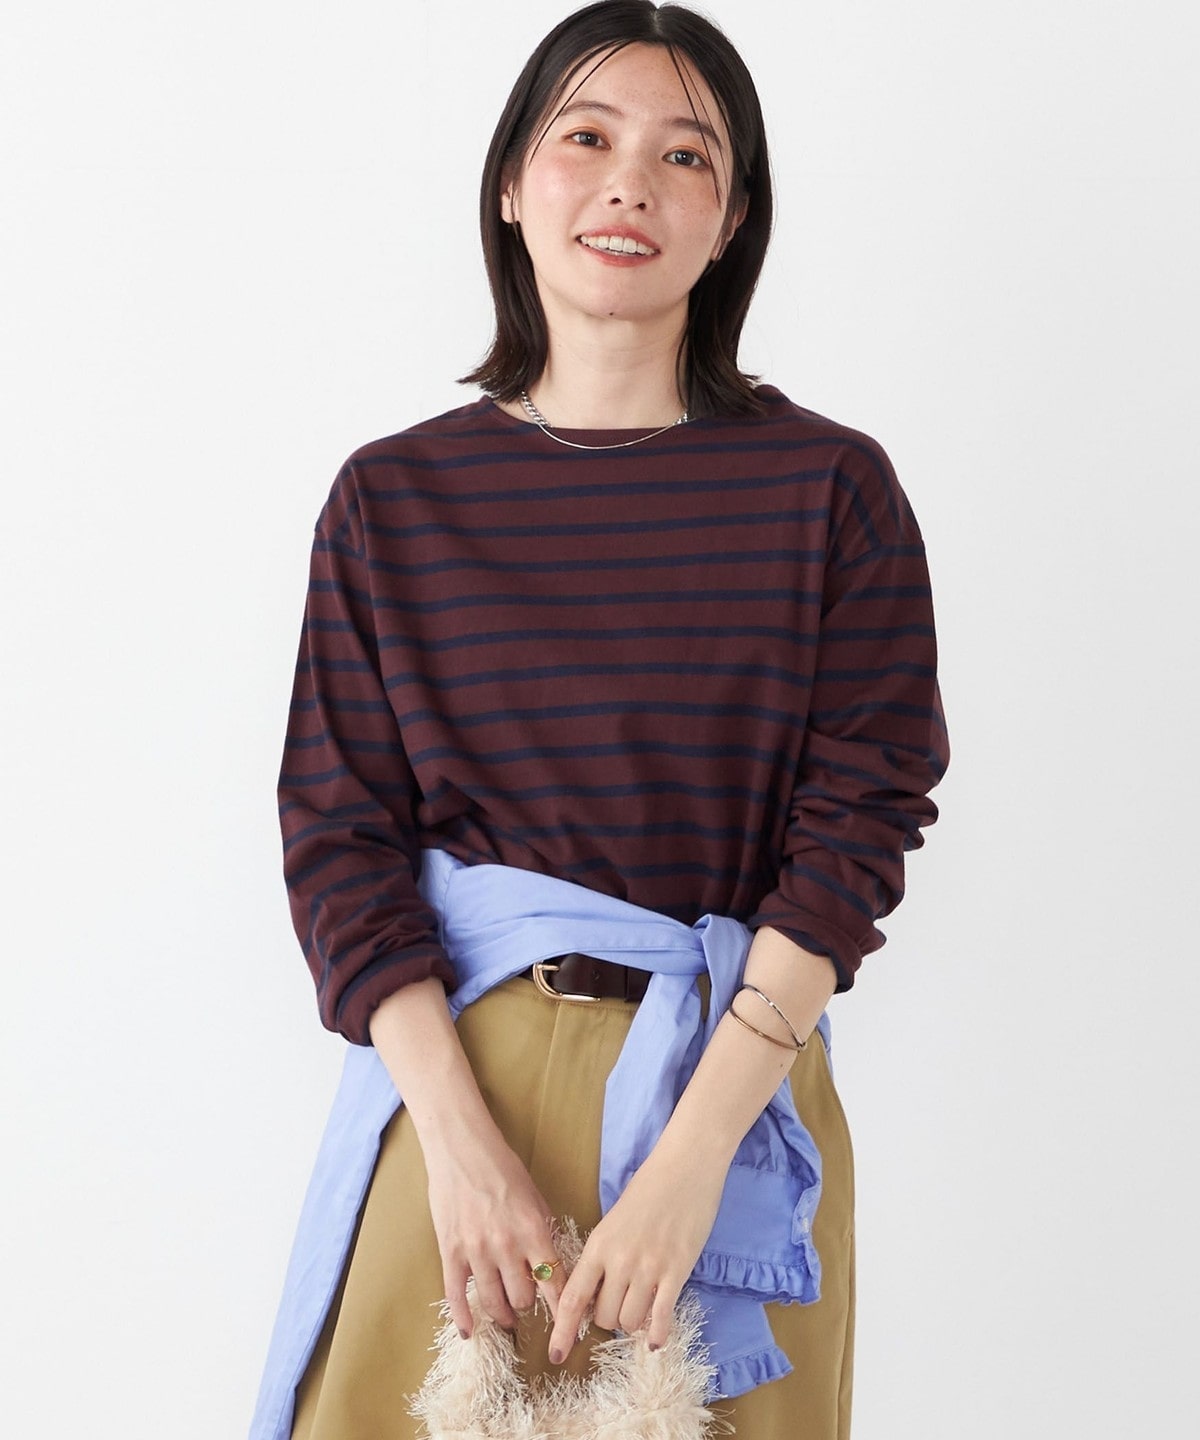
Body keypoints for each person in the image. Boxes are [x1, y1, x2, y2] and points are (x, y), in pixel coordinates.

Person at [251, 3, 948, 1438]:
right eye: (586, 137)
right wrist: (459, 1151)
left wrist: (688, 1165)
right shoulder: (393, 498)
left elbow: (857, 833)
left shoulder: (832, 490)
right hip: (461, 1098)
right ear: (514, 182)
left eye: (686, 156)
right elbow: (339, 839)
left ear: (730, 220)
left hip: (730, 1092)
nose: (631, 183)